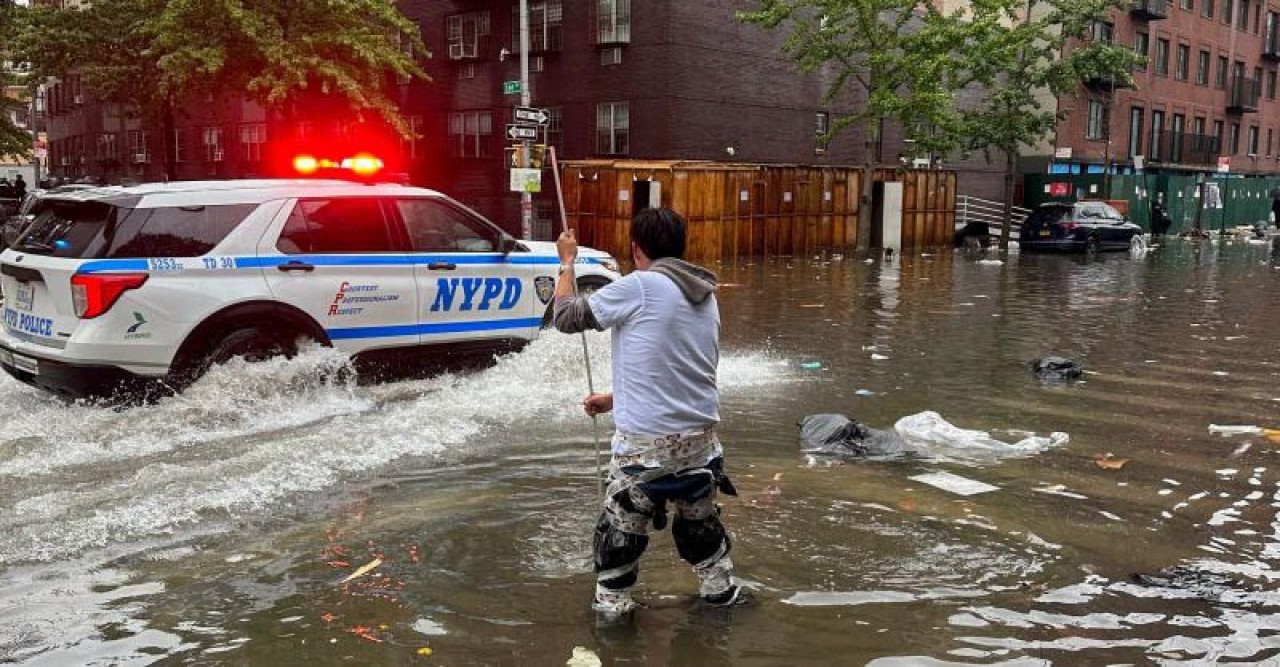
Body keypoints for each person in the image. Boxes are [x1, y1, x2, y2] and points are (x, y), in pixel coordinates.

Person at [553, 207, 741, 616]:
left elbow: (565, 317)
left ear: (636, 249)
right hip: (702, 447)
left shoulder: (639, 286)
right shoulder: (704, 293)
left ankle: (614, 625)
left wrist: (566, 262)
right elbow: (680, 367)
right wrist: (615, 398)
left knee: (617, 546)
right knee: (704, 539)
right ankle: (721, 602)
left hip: (645, 453)